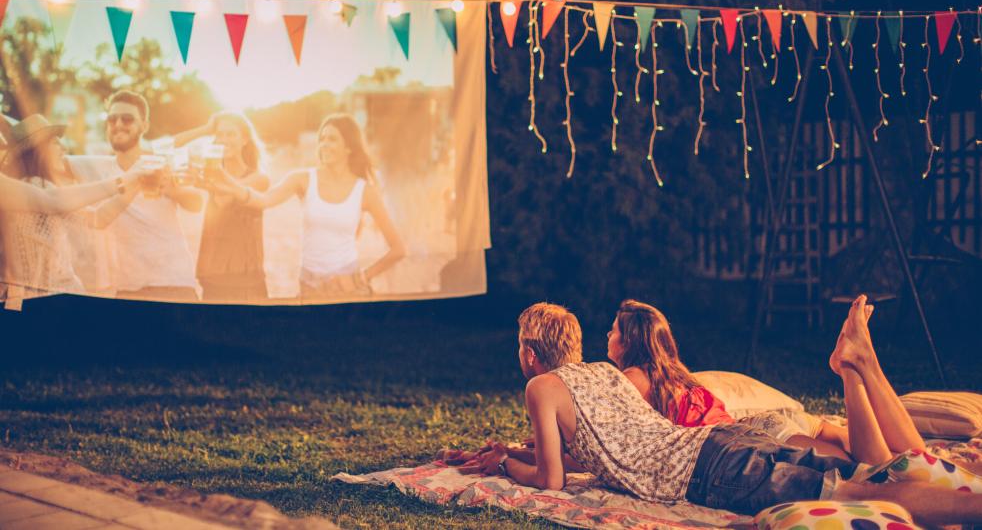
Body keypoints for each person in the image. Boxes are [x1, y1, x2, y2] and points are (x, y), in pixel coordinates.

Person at [455, 297, 982, 526]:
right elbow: (594, 455)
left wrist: (506, 465)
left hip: (711, 470)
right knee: (870, 473)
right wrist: (511, 450)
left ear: (528, 352)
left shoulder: (541, 388)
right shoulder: (603, 373)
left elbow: (549, 481)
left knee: (863, 494)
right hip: (724, 443)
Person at [607, 299, 982, 475]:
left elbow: (613, 435)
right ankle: (863, 365)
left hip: (762, 434)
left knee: (870, 472)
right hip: (786, 422)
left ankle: (851, 370)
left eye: (614, 331)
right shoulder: (678, 375)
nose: (608, 336)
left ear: (629, 342)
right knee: (915, 461)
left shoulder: (634, 379)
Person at [207, 114, 405, 300]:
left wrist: (361, 277)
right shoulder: (302, 179)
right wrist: (228, 183)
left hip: (349, 288)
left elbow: (398, 249)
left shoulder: (365, 191)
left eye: (332, 139)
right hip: (309, 286)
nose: (324, 145)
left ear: (349, 147)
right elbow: (264, 200)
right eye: (322, 139)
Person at [0, 114, 148, 306]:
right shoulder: (27, 188)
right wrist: (126, 180)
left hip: (58, 300)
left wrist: (135, 184)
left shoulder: (47, 188)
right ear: (37, 151)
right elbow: (51, 201)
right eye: (55, 142)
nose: (64, 148)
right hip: (38, 305)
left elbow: (97, 218)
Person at [100, 90, 203, 302]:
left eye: (127, 119)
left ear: (144, 126)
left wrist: (170, 189)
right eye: (112, 119)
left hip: (173, 284)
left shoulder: (163, 161)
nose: (118, 124)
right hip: (127, 288)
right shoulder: (97, 166)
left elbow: (196, 202)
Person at [175, 112, 269, 302]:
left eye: (231, 134)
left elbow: (226, 198)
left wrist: (207, 179)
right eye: (220, 135)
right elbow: (175, 145)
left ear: (245, 140)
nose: (224, 140)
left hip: (246, 282)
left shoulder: (259, 179)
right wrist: (206, 129)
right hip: (212, 278)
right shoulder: (210, 176)